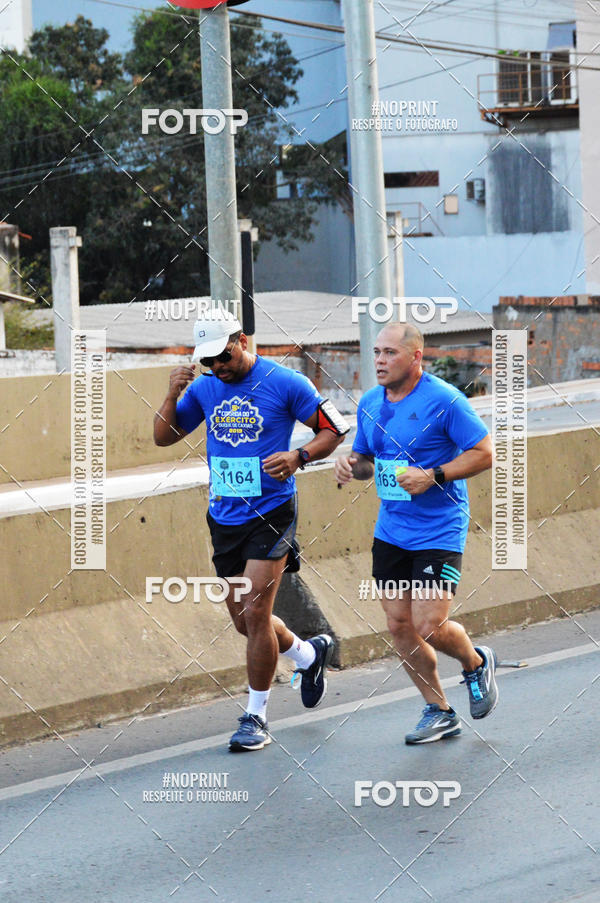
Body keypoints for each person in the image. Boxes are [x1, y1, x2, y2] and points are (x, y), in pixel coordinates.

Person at [154, 311, 349, 752]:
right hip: (224, 516)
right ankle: (307, 654)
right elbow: (163, 437)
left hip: (272, 511)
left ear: (241, 340)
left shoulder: (286, 382)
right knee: (245, 623)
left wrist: (299, 458)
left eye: (223, 356)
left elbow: (335, 428)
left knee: (257, 614)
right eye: (208, 362)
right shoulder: (205, 388)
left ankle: (255, 716)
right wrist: (172, 394)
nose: (218, 367)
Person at [334, 322, 496, 744]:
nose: (381, 361)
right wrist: (350, 466)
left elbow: (485, 453)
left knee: (429, 623)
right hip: (392, 530)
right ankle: (438, 709)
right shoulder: (371, 402)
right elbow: (367, 458)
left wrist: (434, 474)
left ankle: (475, 662)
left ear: (416, 357)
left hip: (439, 529)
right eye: (377, 352)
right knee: (399, 625)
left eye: (390, 353)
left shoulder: (445, 401)